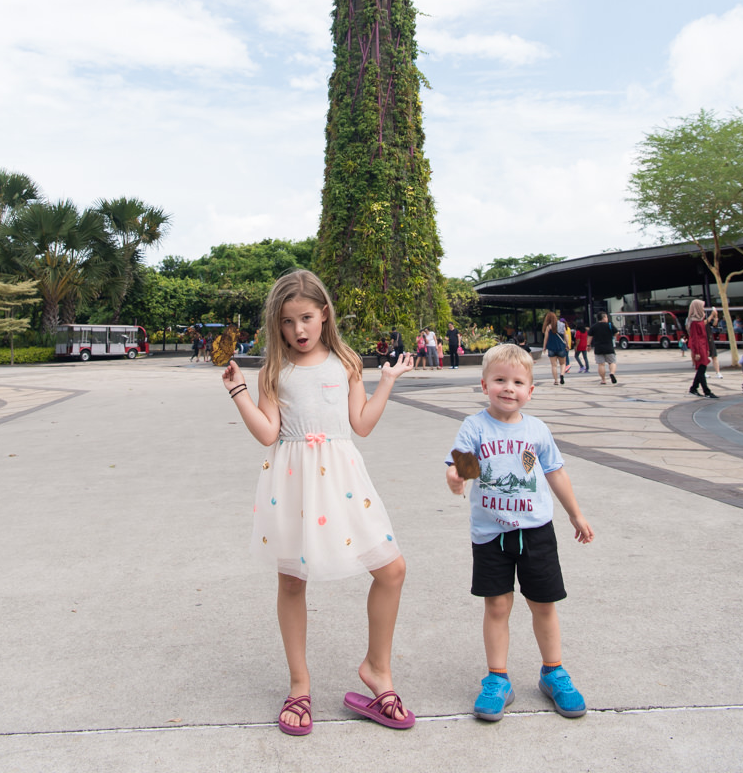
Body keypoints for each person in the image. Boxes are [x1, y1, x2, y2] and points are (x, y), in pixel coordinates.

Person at [221, 269, 416, 736]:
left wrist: (387, 381)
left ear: (324, 313)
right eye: (287, 322)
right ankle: (299, 684)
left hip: (345, 481)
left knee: (392, 569)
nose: (298, 330)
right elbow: (269, 433)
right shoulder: (275, 370)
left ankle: (377, 669)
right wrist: (238, 392)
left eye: (306, 318)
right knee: (292, 581)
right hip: (293, 483)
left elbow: (361, 424)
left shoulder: (347, 362)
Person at [445, 344, 593, 723]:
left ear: (530, 390)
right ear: (484, 385)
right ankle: (497, 679)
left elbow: (555, 472)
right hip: (490, 535)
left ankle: (553, 671)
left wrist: (576, 514)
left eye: (517, 382)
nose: (508, 388)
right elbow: (462, 465)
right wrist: (456, 478)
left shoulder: (537, 430)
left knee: (543, 604)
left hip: (536, 532)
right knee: (496, 606)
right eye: (499, 380)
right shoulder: (475, 427)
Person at [686, 300, 717, 398]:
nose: (703, 309)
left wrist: (707, 348)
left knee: (701, 368)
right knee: (702, 368)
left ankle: (694, 388)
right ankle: (706, 391)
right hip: (699, 347)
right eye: (702, 307)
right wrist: (697, 352)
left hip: (703, 346)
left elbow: (704, 335)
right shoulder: (694, 322)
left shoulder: (699, 319)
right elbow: (695, 339)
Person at [588, 312, 618, 385]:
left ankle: (603, 380)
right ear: (604, 317)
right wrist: (614, 337)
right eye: (606, 317)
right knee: (612, 362)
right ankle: (612, 373)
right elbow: (617, 332)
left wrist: (588, 345)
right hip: (609, 347)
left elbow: (590, 336)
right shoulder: (609, 325)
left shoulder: (594, 326)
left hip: (598, 348)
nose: (607, 319)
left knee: (601, 364)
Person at [541, 312, 567, 386]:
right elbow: (565, 336)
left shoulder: (548, 327)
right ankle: (562, 374)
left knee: (554, 365)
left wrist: (544, 347)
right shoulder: (562, 325)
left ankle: (556, 381)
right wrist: (567, 344)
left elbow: (546, 338)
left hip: (551, 348)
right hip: (561, 347)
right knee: (563, 363)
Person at [705, 308, 723, 378]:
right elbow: (705, 322)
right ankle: (704, 372)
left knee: (714, 356)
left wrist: (716, 317)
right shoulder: (697, 318)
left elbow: (714, 324)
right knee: (704, 357)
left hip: (709, 338)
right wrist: (712, 314)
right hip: (703, 339)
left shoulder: (708, 319)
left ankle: (718, 372)